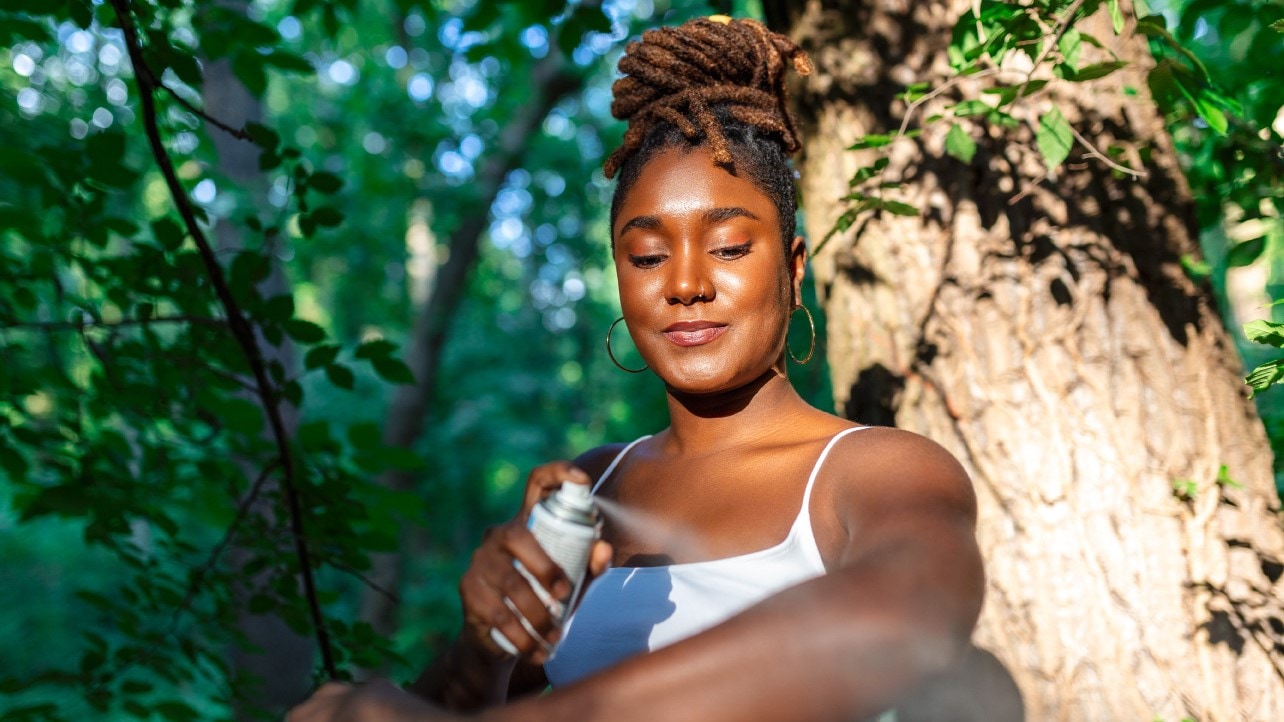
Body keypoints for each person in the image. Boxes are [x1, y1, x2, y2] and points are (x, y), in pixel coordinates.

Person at [289, 15, 984, 722]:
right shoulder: (591, 485)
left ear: (794, 268)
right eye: (648, 256)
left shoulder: (875, 470)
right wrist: (486, 644)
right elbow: (453, 706)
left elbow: (911, 619)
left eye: (731, 248)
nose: (685, 283)